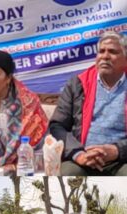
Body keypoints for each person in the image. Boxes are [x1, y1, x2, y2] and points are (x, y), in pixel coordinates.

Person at [50, 32, 127, 176]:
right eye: (101, 51)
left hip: (121, 160)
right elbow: (57, 126)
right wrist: (78, 154)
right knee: (68, 174)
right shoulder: (77, 84)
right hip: (82, 157)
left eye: (112, 52)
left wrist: (117, 151)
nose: (105, 56)